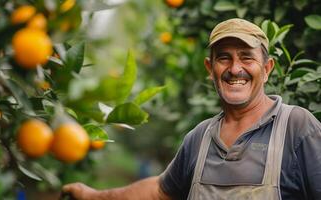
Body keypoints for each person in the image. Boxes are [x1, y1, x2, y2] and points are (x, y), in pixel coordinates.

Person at [62, 18, 321, 200]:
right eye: (224, 57)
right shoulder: (200, 138)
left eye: (246, 56)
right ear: (211, 70)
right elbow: (158, 192)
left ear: (266, 69)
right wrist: (92, 195)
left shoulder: (297, 128)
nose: (234, 68)